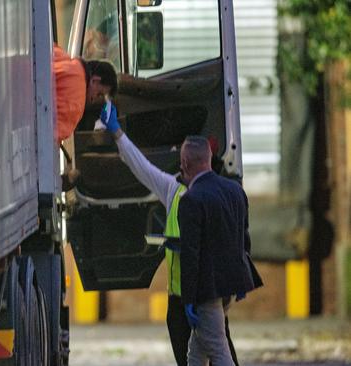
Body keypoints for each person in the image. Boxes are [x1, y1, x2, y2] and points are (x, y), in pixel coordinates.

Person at [99, 104, 244, 366]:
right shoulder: (174, 190)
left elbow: (229, 239)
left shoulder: (207, 196)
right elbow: (141, 167)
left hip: (201, 295)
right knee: (193, 356)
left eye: (182, 160)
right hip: (182, 299)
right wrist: (118, 134)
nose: (180, 166)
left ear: (189, 161)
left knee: (220, 353)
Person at [178, 135, 260, 366]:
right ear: (210, 158)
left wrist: (188, 298)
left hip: (207, 290)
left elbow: (191, 254)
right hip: (231, 285)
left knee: (218, 349)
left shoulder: (191, 200)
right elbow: (243, 237)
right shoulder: (234, 190)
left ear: (185, 163)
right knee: (196, 352)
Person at [53, 44, 117, 144]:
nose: (94, 100)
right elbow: (51, 137)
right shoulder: (77, 103)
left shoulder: (60, 54)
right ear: (95, 80)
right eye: (99, 94)